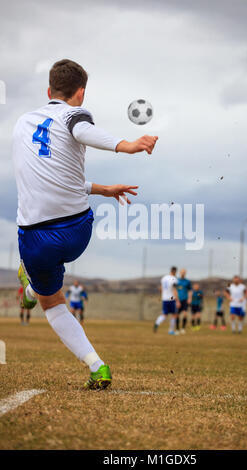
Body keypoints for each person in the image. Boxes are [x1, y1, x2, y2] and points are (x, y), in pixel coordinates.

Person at [13, 59, 158, 390]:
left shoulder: (21, 123)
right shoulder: (75, 114)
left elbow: (45, 175)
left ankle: (96, 364)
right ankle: (33, 287)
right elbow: (81, 132)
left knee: (52, 302)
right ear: (80, 93)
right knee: (46, 280)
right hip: (78, 230)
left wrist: (123, 149)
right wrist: (127, 146)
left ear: (48, 91)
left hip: (35, 237)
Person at [153, 267, 179, 335]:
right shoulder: (174, 279)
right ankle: (171, 331)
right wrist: (177, 300)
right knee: (174, 314)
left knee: (164, 314)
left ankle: (157, 323)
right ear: (175, 271)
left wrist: (163, 295)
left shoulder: (164, 278)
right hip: (171, 298)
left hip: (164, 298)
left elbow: (161, 288)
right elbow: (174, 290)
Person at [176, 269, 192, 334]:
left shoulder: (187, 282)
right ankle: (177, 329)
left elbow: (190, 291)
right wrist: (176, 300)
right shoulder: (177, 281)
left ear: (185, 273)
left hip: (185, 299)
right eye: (182, 272)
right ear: (180, 273)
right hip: (178, 300)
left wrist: (190, 298)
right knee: (177, 314)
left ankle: (183, 328)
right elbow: (174, 291)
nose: (183, 273)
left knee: (185, 314)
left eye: (184, 272)